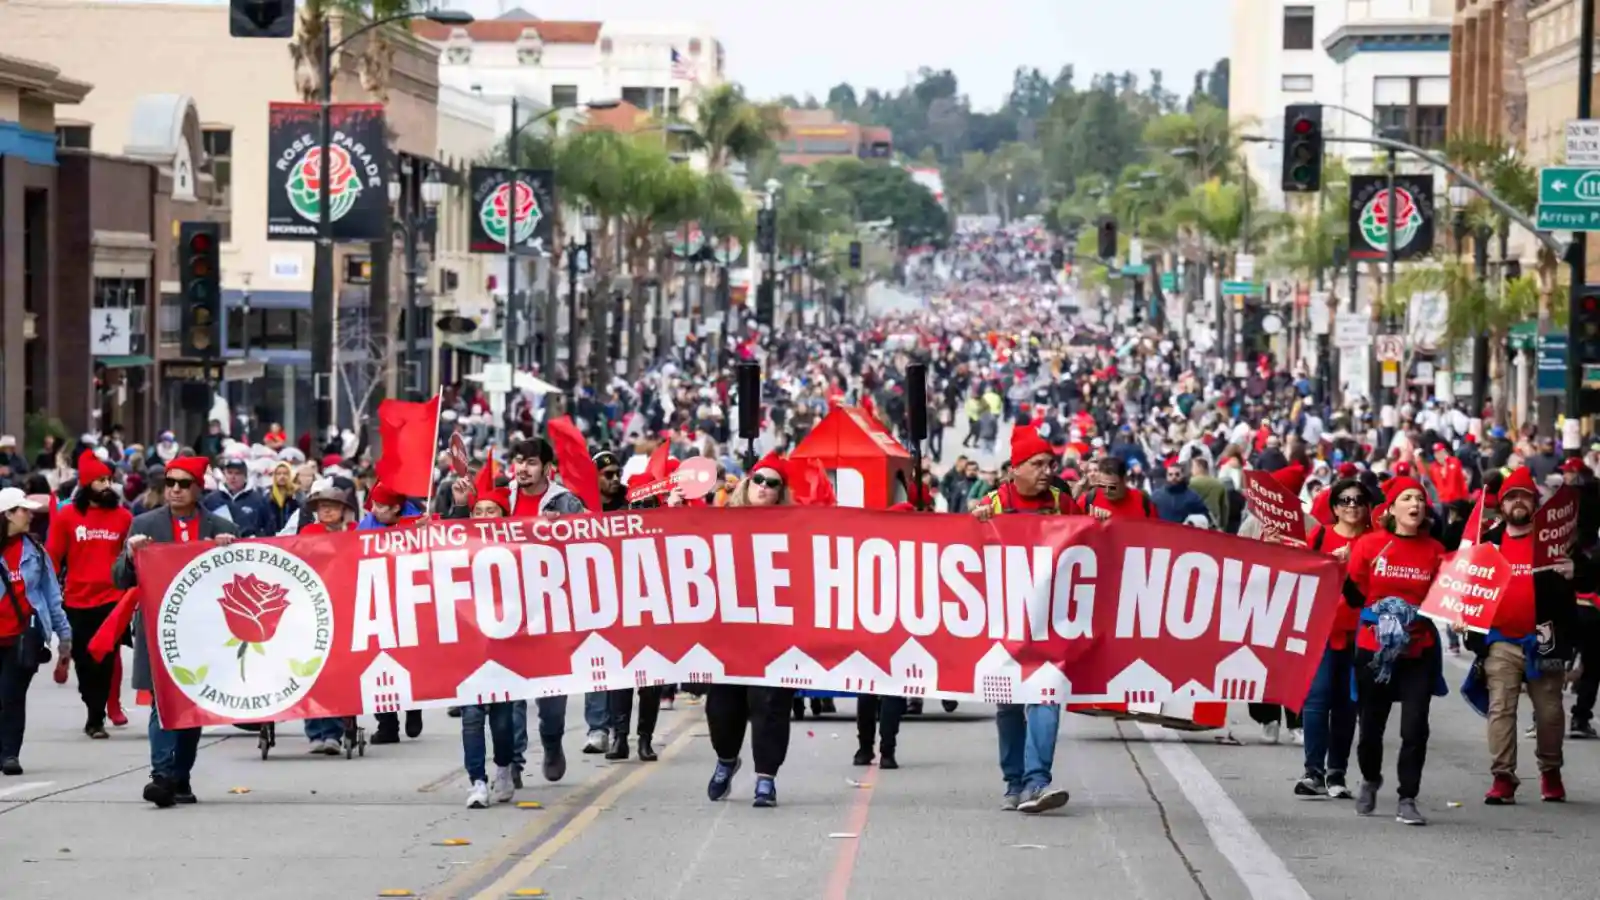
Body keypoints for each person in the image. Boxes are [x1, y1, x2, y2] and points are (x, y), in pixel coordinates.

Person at [113, 456, 238, 808]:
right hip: (158, 630)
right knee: (162, 703)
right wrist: (130, 553)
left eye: (184, 484)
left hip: (204, 633)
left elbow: (241, 577)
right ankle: (162, 775)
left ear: (198, 488)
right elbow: (121, 579)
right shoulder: (143, 523)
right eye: (171, 483)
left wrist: (232, 550)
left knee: (190, 707)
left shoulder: (219, 526)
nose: (176, 490)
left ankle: (180, 775)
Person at [971, 425, 1074, 814]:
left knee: (1046, 697)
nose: (1047, 470)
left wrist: (1097, 517)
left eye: (1050, 463)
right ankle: (1013, 782)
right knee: (1009, 706)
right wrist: (974, 524)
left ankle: (1037, 782)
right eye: (1037, 463)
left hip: (1049, 622)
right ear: (1015, 469)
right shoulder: (994, 503)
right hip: (1004, 625)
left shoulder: (1064, 503)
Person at [1474, 467, 1583, 804]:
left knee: (1550, 712)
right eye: (1510, 497)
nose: (1517, 502)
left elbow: (1591, 578)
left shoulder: (1554, 541)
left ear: (1535, 503)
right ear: (1501, 505)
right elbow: (1462, 570)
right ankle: (1502, 777)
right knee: (1501, 708)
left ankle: (1550, 770)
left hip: (1545, 637)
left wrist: (1575, 571)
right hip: (1502, 639)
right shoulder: (1488, 541)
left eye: (1524, 496)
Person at [1342, 476, 1446, 825]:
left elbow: (1444, 599)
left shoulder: (1435, 550)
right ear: (1392, 508)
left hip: (1419, 648)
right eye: (1407, 498)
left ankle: (1408, 797)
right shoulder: (1370, 545)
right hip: (1375, 650)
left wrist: (1459, 616)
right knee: (1371, 729)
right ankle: (1370, 778)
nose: (1416, 503)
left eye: (1420, 497)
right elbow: (1355, 596)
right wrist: (1339, 569)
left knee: (1415, 728)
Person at [706, 452, 796, 808]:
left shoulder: (796, 525)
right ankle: (727, 760)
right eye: (758, 480)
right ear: (747, 483)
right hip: (730, 634)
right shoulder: (722, 520)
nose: (763, 487)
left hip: (776, 636)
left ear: (780, 492)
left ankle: (766, 778)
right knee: (722, 709)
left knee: (770, 706)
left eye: (772, 484)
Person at [505, 438, 599, 772]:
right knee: (510, 693)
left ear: (546, 468)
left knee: (551, 697)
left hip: (551, 613)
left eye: (530, 463)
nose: (522, 469)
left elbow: (596, 539)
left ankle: (552, 741)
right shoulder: (503, 498)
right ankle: (513, 760)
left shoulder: (565, 501)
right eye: (518, 461)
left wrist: (571, 526)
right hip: (510, 613)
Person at [44, 451, 132, 738]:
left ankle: (96, 718)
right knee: (85, 659)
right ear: (86, 484)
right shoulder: (68, 515)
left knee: (106, 657)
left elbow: (130, 558)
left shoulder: (124, 517)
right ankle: (90, 703)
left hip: (112, 599)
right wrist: (47, 589)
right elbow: (54, 555)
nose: (107, 485)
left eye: (109, 479)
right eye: (100, 480)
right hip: (76, 599)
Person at [1293, 476, 1371, 799]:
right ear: (1334, 508)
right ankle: (1313, 772)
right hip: (1321, 630)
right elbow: (1299, 576)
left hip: (1361, 633)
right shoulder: (1320, 535)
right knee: (1317, 698)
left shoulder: (1376, 541)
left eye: (1358, 501)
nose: (1351, 506)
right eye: (1345, 501)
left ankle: (1336, 773)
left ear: (1368, 508)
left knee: (1347, 703)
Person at [0, 487, 71, 775]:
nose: (30, 515)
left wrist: (63, 636)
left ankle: (9, 754)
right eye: (23, 510)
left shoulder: (37, 552)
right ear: (6, 515)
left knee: (12, 696)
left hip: (23, 638)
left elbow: (52, 596)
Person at [463, 487, 524, 808]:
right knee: (471, 716)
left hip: (505, 647)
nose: (484, 517)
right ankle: (477, 781)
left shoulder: (515, 546)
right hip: (468, 648)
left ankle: (503, 767)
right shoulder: (458, 545)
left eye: (492, 511)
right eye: (479, 511)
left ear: (504, 516)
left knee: (502, 721)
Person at [360, 481, 426, 744]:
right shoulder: (367, 524)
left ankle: (413, 706)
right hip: (377, 600)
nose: (374, 509)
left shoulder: (419, 522)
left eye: (380, 506)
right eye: (373, 504)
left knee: (410, 659)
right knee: (376, 663)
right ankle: (387, 724)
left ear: (396, 508)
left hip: (410, 599)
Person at [297, 480, 358, 754]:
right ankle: (315, 732)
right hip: (313, 606)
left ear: (343, 510)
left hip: (345, 606)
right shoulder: (309, 531)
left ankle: (333, 731)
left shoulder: (354, 531)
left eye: (332, 508)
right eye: (323, 508)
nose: (327, 513)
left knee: (335, 672)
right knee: (312, 669)